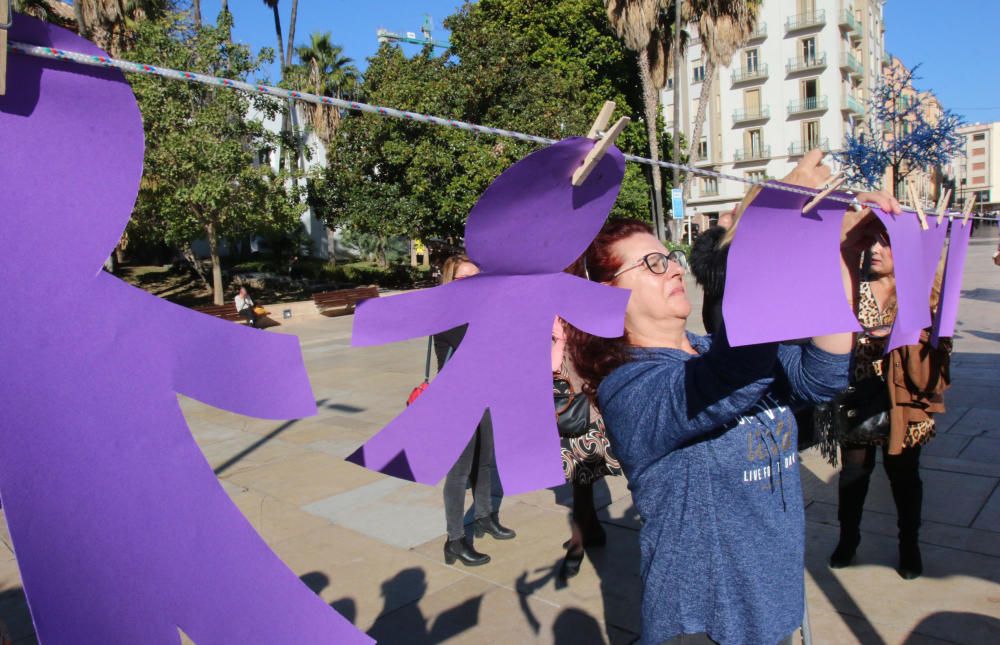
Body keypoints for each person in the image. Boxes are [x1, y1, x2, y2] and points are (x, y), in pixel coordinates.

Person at [565, 150, 902, 645]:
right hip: (704, 621)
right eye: (653, 263)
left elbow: (822, 376)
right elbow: (738, 370)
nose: (674, 269)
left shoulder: (703, 348)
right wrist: (770, 217)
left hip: (773, 601)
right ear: (609, 296)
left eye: (670, 257)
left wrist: (840, 252)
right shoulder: (629, 387)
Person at [829, 226, 951, 580]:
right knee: (854, 473)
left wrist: (909, 340)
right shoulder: (854, 286)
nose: (877, 250)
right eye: (873, 243)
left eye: (887, 243)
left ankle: (909, 545)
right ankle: (848, 539)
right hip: (860, 396)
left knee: (904, 477)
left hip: (905, 400)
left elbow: (940, 351)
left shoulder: (921, 294)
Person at [435, 254, 515, 567]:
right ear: (450, 282)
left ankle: (484, 517)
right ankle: (454, 540)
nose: (472, 283)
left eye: (477, 277)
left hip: (486, 394)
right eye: (464, 278)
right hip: (456, 399)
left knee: (484, 463)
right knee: (458, 473)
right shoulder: (446, 314)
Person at [551, 318, 622, 579]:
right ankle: (593, 532)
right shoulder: (553, 319)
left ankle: (577, 547)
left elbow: (555, 366)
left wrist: (560, 341)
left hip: (583, 407)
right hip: (574, 404)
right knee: (584, 479)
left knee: (582, 478)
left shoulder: (576, 320)